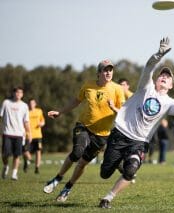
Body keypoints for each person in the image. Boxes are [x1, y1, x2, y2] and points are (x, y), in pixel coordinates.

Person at [98, 37, 174, 209]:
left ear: (171, 85)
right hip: (120, 134)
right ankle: (119, 163)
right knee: (104, 173)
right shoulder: (145, 87)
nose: (163, 76)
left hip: (139, 142)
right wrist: (159, 54)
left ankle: (107, 198)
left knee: (131, 171)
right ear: (156, 79)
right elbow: (148, 67)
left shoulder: (169, 103)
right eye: (162, 74)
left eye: (167, 77)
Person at [43, 59, 125, 197]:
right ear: (99, 73)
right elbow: (76, 100)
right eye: (105, 70)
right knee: (77, 152)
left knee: (82, 164)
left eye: (110, 70)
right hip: (84, 126)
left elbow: (123, 113)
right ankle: (57, 179)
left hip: (102, 135)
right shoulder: (88, 85)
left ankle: (67, 188)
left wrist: (113, 108)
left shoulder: (117, 89)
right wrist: (60, 112)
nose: (108, 72)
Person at [0, 87, 32, 180]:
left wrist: (29, 133)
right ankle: (6, 166)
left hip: (19, 134)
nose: (19, 94)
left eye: (20, 92)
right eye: (17, 92)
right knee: (5, 154)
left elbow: (26, 121)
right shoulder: (6, 103)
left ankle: (14, 173)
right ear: (13, 93)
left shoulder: (24, 106)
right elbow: (1, 117)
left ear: (22, 94)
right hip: (7, 132)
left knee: (17, 155)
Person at [23, 98, 45, 174]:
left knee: (38, 151)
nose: (31, 105)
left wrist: (41, 124)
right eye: (29, 103)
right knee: (25, 150)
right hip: (28, 135)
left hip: (38, 135)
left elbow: (43, 121)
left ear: (35, 104)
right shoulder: (25, 112)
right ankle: (28, 160)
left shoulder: (39, 111)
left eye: (32, 103)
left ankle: (37, 168)